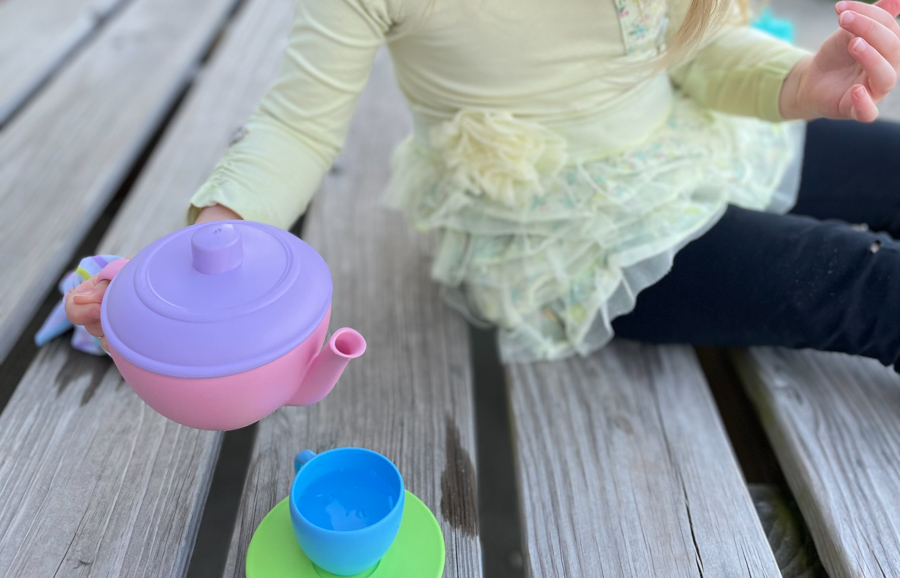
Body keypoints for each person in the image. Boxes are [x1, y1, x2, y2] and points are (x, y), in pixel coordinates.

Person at [66, 0, 900, 366]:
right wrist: (199, 257)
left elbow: (690, 48)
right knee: (866, 282)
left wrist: (798, 82)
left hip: (686, 141)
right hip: (572, 239)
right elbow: (296, 127)